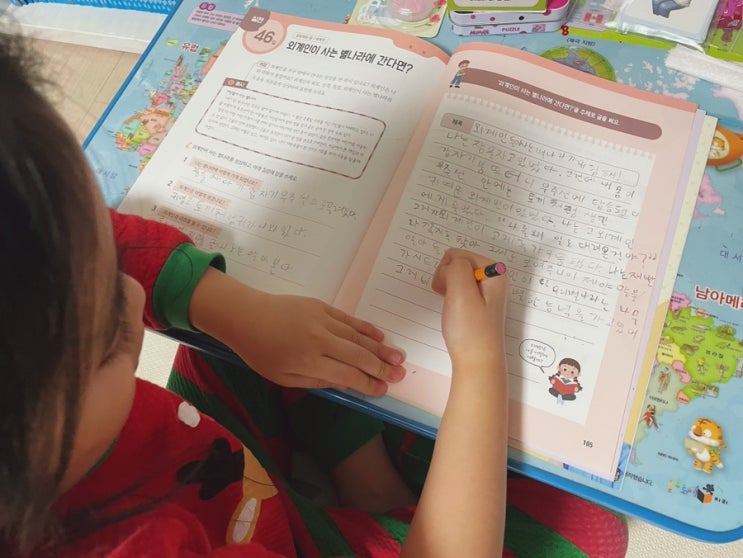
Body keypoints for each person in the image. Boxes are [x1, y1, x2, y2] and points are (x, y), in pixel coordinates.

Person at [0, 30, 628, 557]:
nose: (136, 295)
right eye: (111, 336)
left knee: (274, 326)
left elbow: (106, 243)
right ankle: (366, 490)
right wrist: (481, 363)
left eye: (107, 266)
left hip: (202, 458)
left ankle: (358, 470)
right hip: (268, 535)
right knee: (591, 531)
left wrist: (240, 312)